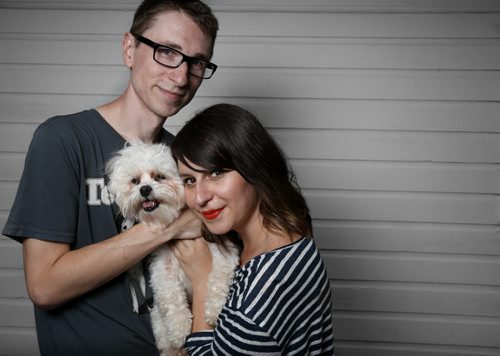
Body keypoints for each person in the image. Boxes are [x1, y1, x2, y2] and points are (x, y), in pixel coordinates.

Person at [2, 1, 219, 355]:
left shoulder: (187, 159)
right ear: (130, 49)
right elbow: (44, 286)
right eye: (167, 52)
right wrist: (169, 226)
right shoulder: (63, 139)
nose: (181, 77)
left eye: (196, 62)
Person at [170, 103, 335, 355]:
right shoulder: (288, 239)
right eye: (190, 180)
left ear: (253, 166)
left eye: (215, 173)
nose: (200, 198)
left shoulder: (265, 289)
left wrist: (202, 281)